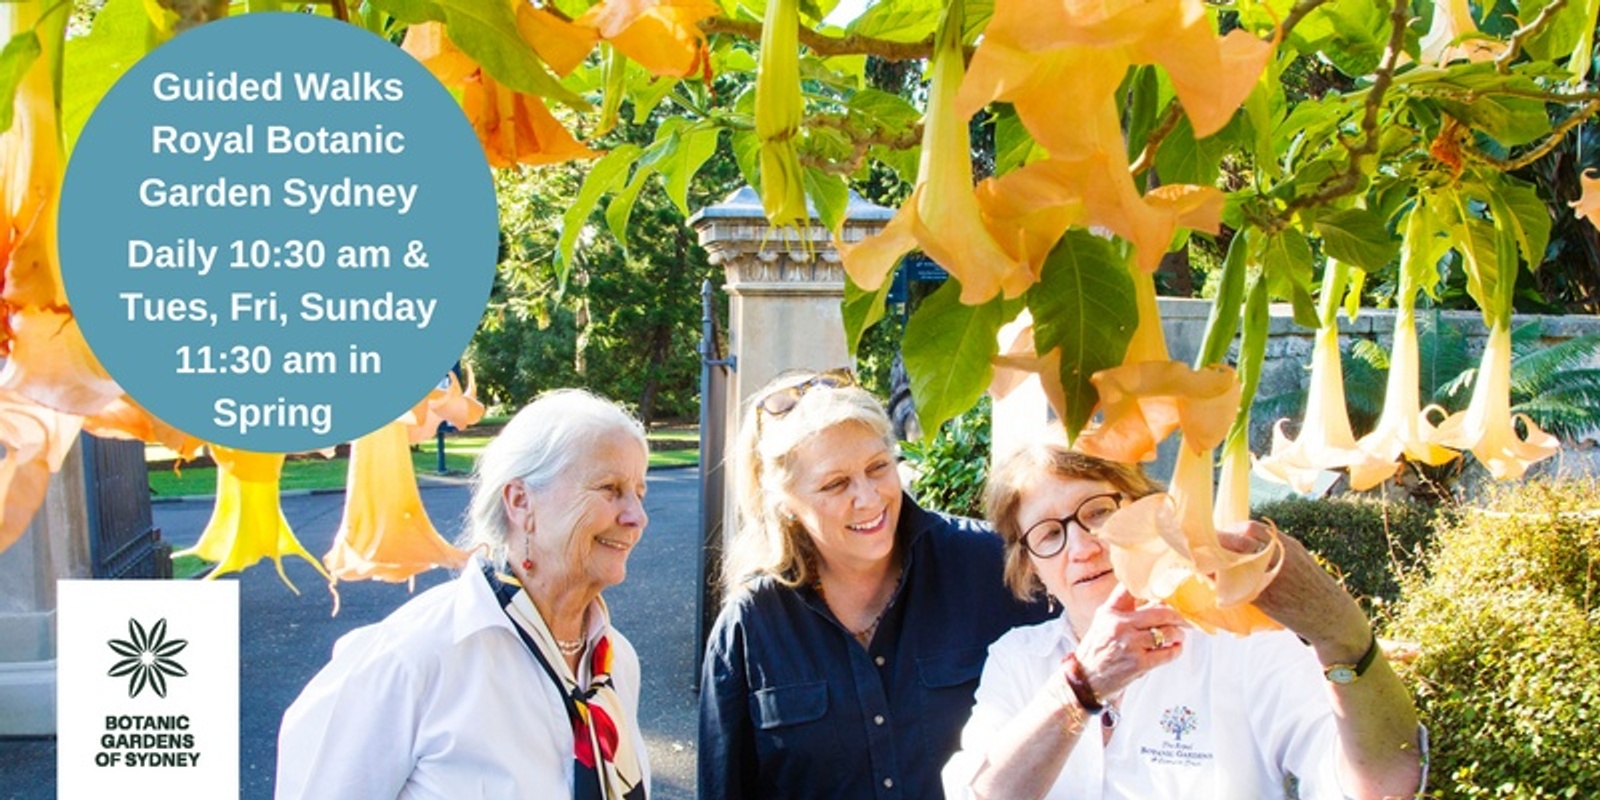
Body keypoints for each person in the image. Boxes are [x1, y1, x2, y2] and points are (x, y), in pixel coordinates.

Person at [943, 441, 1426, 799]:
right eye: (1048, 534)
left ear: (1151, 511)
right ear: (1031, 567)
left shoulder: (1244, 643)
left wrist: (1342, 633)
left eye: (1098, 512)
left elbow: (1381, 785)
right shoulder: (1017, 660)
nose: (1083, 547)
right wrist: (1080, 686)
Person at [276, 389, 652, 800]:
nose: (636, 516)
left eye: (639, 492)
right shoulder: (414, 658)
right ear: (521, 501)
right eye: (610, 488)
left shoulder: (617, 662)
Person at [699, 369, 1048, 799]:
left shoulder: (993, 568)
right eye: (835, 483)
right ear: (784, 502)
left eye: (878, 467)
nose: (868, 498)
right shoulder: (749, 629)